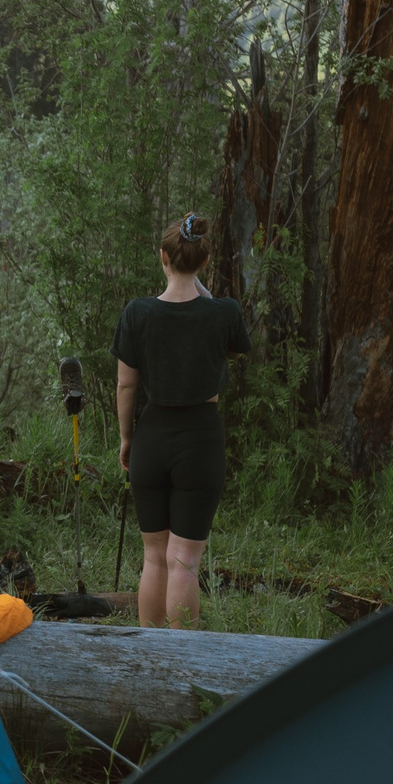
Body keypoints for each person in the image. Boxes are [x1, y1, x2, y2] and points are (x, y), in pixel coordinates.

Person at [112, 213, 250, 629]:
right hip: (200, 441)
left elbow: (125, 388)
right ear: (203, 262)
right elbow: (230, 341)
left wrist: (126, 439)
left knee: (154, 557)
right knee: (185, 561)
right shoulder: (224, 313)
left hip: (151, 439)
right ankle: (182, 662)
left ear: (163, 257)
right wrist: (199, 286)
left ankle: (151, 663)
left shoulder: (137, 314)